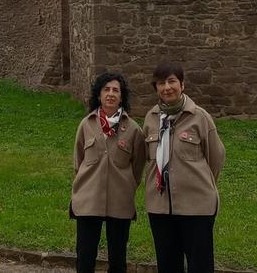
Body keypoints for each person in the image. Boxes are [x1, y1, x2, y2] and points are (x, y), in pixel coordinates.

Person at [143, 62, 225, 273]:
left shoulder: (199, 117)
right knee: (168, 265)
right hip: (160, 208)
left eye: (172, 81)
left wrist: (200, 184)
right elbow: (146, 159)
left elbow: (216, 157)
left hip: (196, 206)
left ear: (182, 85)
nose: (167, 87)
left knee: (200, 266)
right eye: (161, 83)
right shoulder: (151, 119)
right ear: (156, 88)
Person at [71, 72, 146, 273]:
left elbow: (138, 166)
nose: (111, 94)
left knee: (118, 259)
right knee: (85, 257)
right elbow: (79, 161)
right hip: (89, 199)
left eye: (116, 90)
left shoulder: (133, 130)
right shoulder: (86, 125)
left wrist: (128, 184)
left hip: (119, 201)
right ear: (99, 95)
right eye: (106, 89)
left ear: (122, 97)